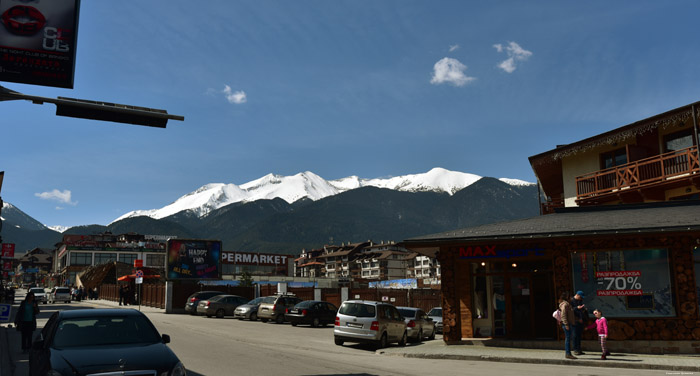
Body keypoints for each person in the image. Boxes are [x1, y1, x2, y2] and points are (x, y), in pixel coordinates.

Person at [558, 291, 576, 360]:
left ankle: (568, 353)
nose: (571, 298)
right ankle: (568, 353)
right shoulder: (565, 304)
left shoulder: (567, 304)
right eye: (570, 296)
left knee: (569, 338)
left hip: (569, 323)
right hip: (567, 324)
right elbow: (563, 315)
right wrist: (566, 324)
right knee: (568, 339)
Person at [570, 290, 588, 355]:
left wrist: (584, 309)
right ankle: (575, 349)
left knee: (579, 335)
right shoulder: (571, 301)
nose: (581, 299)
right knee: (575, 335)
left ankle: (579, 349)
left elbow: (581, 310)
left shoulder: (580, 301)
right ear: (577, 295)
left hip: (580, 320)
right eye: (580, 297)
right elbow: (570, 310)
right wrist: (577, 308)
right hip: (574, 321)